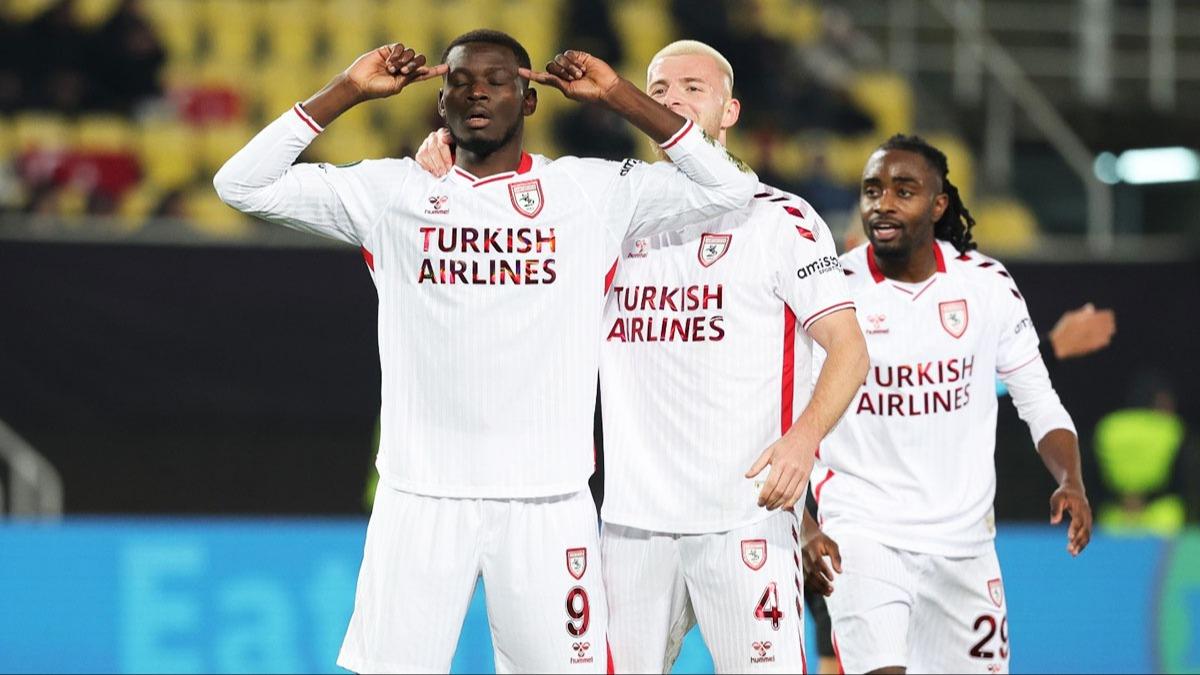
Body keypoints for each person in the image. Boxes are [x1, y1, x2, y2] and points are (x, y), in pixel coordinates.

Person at [213, 29, 758, 673]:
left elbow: (730, 188)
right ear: (439, 102)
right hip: (420, 497)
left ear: (529, 100)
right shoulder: (392, 193)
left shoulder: (589, 192)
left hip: (547, 502)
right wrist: (348, 90)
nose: (478, 93)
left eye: (498, 81)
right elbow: (240, 184)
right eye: (461, 81)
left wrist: (618, 95)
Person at [416, 39, 868, 674]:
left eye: (693, 89)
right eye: (658, 91)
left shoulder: (780, 221)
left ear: (730, 111)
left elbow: (849, 348)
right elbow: (506, 197)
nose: (673, 100)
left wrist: (803, 442)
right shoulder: (606, 215)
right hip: (631, 525)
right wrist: (446, 153)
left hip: (744, 517)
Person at [800, 134, 1093, 675]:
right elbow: (784, 415)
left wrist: (1070, 479)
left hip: (965, 545)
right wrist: (804, 524)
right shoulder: (829, 291)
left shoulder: (986, 285)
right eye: (872, 190)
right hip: (862, 532)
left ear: (938, 205)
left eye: (903, 191)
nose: (883, 204)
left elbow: (1038, 400)